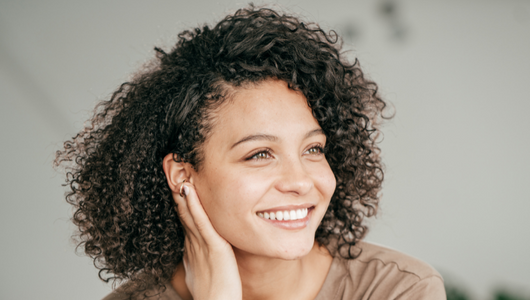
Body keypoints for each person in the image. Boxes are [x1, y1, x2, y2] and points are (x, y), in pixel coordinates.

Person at [56, 5, 446, 300]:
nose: (299, 181)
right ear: (183, 175)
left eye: (313, 148)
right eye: (260, 154)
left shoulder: (397, 289)